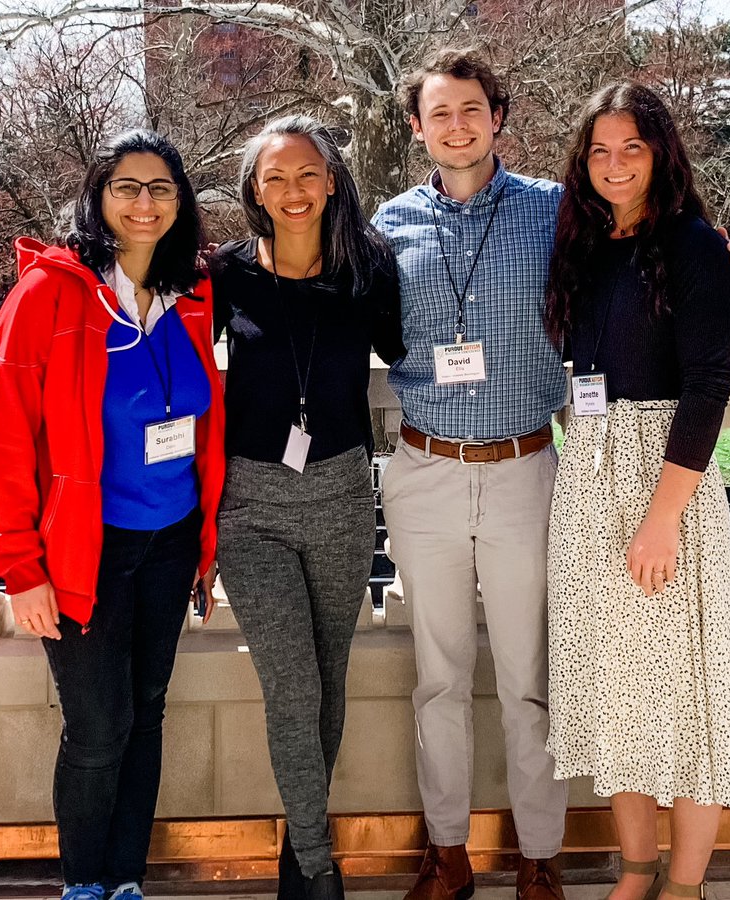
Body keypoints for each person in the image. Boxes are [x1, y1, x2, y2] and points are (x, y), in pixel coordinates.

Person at [371, 48, 730, 900]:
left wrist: (726, 265)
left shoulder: (556, 214)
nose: (458, 125)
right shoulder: (386, 227)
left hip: (531, 467)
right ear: (417, 126)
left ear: (497, 115)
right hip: (434, 467)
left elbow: (672, 285)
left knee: (532, 679)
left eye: (472, 108)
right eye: (440, 113)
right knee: (441, 677)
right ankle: (448, 854)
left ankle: (541, 858)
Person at [0, 129, 225, 900]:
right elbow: (6, 435)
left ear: (180, 202)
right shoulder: (51, 294)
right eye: (127, 187)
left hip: (172, 539)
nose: (144, 203)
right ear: (98, 197)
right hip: (85, 549)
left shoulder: (193, 294)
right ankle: (84, 885)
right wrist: (19, 569)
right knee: (96, 726)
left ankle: (127, 879)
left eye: (160, 188)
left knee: (147, 711)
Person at [544, 82, 730, 900]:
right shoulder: (585, 244)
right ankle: (635, 871)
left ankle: (685, 883)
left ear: (662, 152)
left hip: (663, 483)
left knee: (692, 696)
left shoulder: (697, 246)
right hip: (590, 476)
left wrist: (662, 519)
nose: (615, 163)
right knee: (618, 690)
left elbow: (708, 388)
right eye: (599, 150)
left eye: (631, 146)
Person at [211, 115, 404, 900]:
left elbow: (410, 350)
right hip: (250, 505)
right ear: (255, 189)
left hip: (340, 494)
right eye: (274, 178)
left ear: (331, 183)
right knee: (292, 688)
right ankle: (321, 874)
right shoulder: (223, 273)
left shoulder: (369, 268)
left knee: (328, 680)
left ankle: (303, 847)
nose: (292, 192)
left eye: (306, 176)